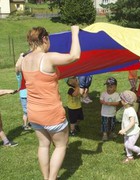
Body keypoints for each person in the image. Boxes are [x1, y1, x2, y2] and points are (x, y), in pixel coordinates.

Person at [15, 25, 80, 180]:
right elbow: (74, 56)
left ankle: (46, 178)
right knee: (61, 145)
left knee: (44, 145)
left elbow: (17, 67)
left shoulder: (24, 60)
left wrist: (22, 55)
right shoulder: (47, 57)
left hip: (34, 114)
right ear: (44, 39)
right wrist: (75, 33)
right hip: (52, 113)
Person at [119, 90, 140, 163]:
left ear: (126, 101)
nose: (120, 100)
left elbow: (132, 122)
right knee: (126, 144)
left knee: (129, 145)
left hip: (133, 132)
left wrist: (124, 130)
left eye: (121, 99)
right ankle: (130, 157)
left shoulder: (130, 110)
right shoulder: (126, 108)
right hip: (128, 132)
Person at [100, 77, 121, 141]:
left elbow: (118, 103)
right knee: (104, 123)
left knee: (112, 123)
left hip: (112, 113)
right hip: (104, 113)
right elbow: (100, 100)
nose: (108, 89)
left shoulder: (116, 95)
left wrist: (111, 104)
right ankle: (105, 134)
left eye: (110, 87)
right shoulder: (103, 93)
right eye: (107, 87)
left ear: (115, 87)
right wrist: (103, 102)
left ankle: (111, 132)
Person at [15, 61, 31, 131]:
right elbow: (17, 68)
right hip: (24, 96)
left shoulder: (28, 74)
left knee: (28, 111)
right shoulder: (20, 76)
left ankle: (27, 124)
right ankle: (25, 125)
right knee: (26, 111)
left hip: (30, 95)